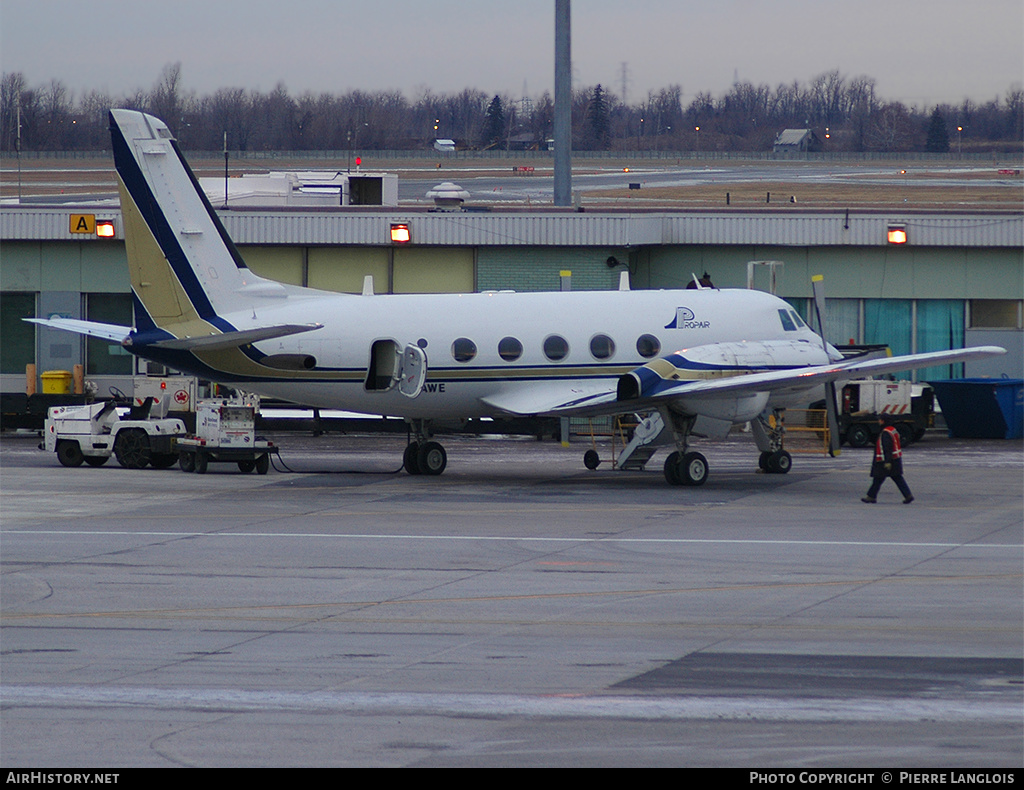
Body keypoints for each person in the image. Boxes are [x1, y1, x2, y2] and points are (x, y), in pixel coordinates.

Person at [862, 416, 914, 504]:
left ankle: (871, 497)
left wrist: (887, 462)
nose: (878, 421)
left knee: (878, 479)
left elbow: (887, 448)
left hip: (885, 460)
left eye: (879, 420)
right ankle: (907, 495)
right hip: (895, 459)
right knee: (896, 478)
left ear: (883, 421)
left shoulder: (885, 433)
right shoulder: (892, 430)